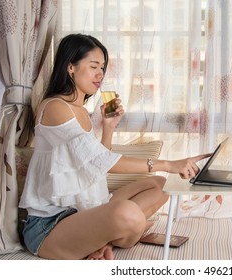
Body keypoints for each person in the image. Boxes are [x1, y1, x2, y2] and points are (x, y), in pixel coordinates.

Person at [18, 33, 211, 260]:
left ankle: (105, 239)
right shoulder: (55, 107)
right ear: (70, 67)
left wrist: (108, 127)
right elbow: (101, 162)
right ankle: (119, 234)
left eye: (102, 67)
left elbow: (96, 164)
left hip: (85, 211)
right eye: (93, 66)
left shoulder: (80, 111)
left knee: (159, 184)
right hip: (50, 226)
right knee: (130, 215)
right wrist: (168, 163)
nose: (100, 74)